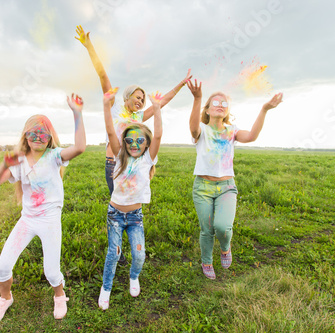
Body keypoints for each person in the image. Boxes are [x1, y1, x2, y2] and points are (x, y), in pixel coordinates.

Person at [75, 25, 191, 265]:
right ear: (126, 97)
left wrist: (180, 85)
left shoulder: (140, 117)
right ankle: (117, 248)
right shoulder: (116, 107)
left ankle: (129, 246)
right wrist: (89, 46)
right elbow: (103, 77)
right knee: (119, 204)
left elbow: (164, 100)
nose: (140, 101)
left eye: (142, 99)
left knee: (132, 205)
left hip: (136, 166)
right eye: (137, 97)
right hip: (114, 165)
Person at [0, 94, 86, 324]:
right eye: (33, 133)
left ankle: (60, 295)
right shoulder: (20, 161)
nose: (38, 137)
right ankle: (5, 298)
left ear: (50, 137)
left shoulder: (54, 156)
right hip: (28, 220)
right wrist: (5, 162)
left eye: (43, 133)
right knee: (2, 268)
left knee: (52, 271)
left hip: (50, 220)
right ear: (26, 136)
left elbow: (80, 147)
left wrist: (77, 112)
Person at [187, 79, 283, 279]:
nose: (220, 105)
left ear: (227, 110)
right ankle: (206, 262)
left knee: (222, 227)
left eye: (224, 103)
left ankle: (225, 247)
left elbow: (252, 136)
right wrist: (197, 98)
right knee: (206, 230)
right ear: (207, 110)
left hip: (226, 187)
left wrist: (264, 109)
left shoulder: (231, 131)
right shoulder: (202, 131)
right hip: (202, 187)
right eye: (215, 103)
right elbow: (193, 127)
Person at [98, 87, 162, 310]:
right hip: (115, 215)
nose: (135, 144)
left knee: (139, 254)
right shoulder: (118, 157)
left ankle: (134, 277)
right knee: (113, 254)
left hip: (135, 216)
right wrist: (107, 106)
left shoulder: (147, 160)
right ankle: (106, 288)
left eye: (140, 141)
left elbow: (159, 135)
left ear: (146, 143)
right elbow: (109, 130)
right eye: (130, 141)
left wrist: (157, 108)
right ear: (124, 142)